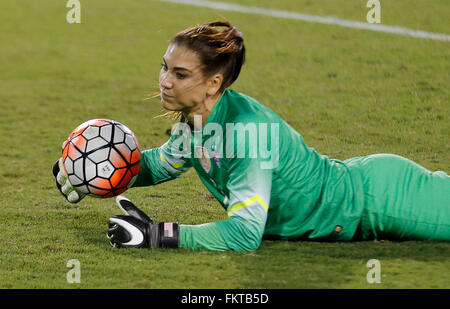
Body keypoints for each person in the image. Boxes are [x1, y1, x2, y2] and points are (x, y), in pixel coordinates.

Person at [53, 21, 450, 251]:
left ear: (214, 83)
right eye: (164, 68)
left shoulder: (246, 134)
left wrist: (158, 236)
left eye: (180, 74)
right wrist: (92, 172)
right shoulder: (194, 122)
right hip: (359, 199)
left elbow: (244, 234)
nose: (164, 82)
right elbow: (159, 164)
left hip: (377, 202)